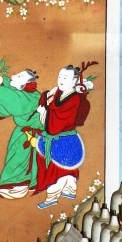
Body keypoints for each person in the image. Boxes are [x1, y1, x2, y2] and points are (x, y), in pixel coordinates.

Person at [34, 63, 95, 209]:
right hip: (57, 137)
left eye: (66, 77)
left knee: (57, 169)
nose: (61, 80)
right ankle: (70, 188)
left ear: (74, 81)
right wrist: (47, 101)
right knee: (64, 168)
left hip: (64, 139)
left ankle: (52, 197)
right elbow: (47, 100)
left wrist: (45, 112)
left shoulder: (74, 99)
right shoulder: (57, 92)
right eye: (60, 76)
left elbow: (58, 121)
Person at [0, 69, 43, 200]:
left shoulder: (30, 98)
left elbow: (7, 98)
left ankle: (16, 188)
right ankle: (25, 185)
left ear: (24, 84)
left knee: (19, 158)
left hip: (30, 134)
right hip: (25, 132)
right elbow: (11, 85)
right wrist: (0, 79)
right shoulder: (24, 92)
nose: (14, 76)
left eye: (19, 76)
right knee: (22, 158)